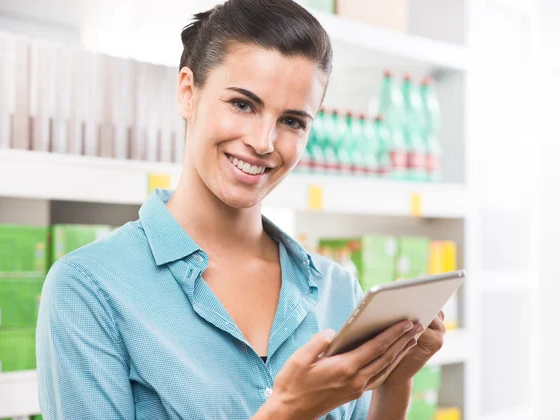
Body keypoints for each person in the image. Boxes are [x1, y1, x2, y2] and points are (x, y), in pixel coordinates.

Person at [36, 0, 446, 418]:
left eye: (292, 121)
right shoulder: (89, 289)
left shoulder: (336, 289)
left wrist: (395, 381)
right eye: (243, 104)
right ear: (187, 93)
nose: (264, 141)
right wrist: (288, 411)